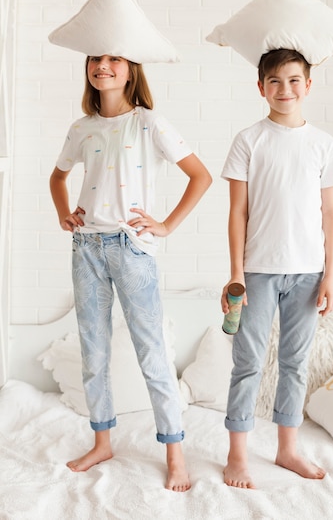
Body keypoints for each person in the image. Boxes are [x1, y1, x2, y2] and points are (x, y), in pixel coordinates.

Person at [50, 54, 212, 491]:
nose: (103, 66)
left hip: (132, 250)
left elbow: (200, 176)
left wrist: (166, 225)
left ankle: (175, 453)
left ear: (130, 69)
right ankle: (102, 442)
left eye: (113, 59)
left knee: (153, 354)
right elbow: (57, 177)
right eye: (95, 59)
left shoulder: (149, 123)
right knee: (94, 352)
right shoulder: (81, 128)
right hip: (86, 249)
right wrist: (66, 214)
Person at [220, 48, 333, 489]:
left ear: (308, 86)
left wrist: (330, 274)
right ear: (260, 87)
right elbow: (238, 212)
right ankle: (237, 454)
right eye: (274, 81)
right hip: (256, 272)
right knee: (248, 362)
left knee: (294, 363)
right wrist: (236, 272)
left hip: (309, 274)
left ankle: (287, 449)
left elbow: (330, 213)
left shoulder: (323, 144)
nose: (285, 89)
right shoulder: (248, 140)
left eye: (294, 80)